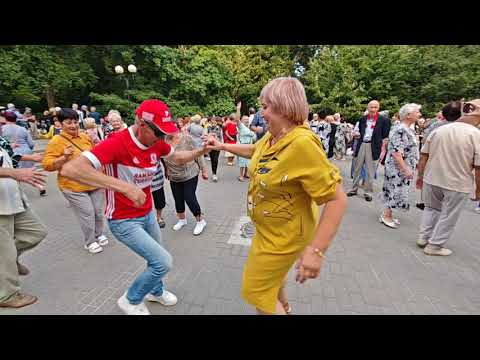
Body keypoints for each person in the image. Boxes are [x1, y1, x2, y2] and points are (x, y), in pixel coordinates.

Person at [205, 78, 347, 315]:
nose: (262, 112)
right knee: (272, 281)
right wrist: (221, 146)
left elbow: (337, 199)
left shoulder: (302, 144)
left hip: (285, 236)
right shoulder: (274, 136)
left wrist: (316, 251)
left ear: (284, 107)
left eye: (266, 106)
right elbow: (255, 150)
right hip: (268, 230)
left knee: (257, 290)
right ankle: (286, 309)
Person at [60, 99, 210, 315]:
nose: (162, 139)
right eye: (158, 133)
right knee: (163, 262)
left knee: (156, 258)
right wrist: (124, 187)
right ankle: (131, 299)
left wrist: (200, 151)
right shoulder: (116, 143)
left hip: (147, 213)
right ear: (141, 124)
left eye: (164, 134)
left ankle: (155, 292)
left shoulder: (156, 142)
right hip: (122, 219)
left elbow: (176, 157)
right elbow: (71, 169)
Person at [415, 99, 480, 256]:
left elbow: (424, 156)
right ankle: (435, 245)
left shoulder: (440, 130)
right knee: (449, 215)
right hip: (457, 182)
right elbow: (478, 168)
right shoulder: (476, 135)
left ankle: (424, 237)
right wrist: (478, 190)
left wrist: (420, 176)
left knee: (431, 209)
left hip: (432, 178)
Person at [42, 109, 108, 254]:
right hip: (73, 186)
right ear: (60, 123)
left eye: (75, 122)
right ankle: (90, 241)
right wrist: (63, 157)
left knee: (97, 212)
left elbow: (93, 154)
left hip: (93, 182)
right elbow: (47, 165)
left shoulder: (85, 137)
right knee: (87, 213)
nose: (73, 125)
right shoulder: (56, 141)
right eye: (68, 122)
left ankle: (99, 234)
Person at [0, 135, 47, 308]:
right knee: (3, 254)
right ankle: (7, 296)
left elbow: (9, 156)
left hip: (13, 197)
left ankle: (12, 260)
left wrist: (30, 158)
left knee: (37, 232)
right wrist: (13, 173)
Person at [379, 104, 421, 228]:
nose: (420, 114)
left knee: (396, 190)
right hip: (397, 168)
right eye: (417, 112)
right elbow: (397, 152)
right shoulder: (401, 129)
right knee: (394, 189)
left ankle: (388, 214)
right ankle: (386, 215)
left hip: (401, 166)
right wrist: (405, 169)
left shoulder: (407, 128)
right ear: (408, 115)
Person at [164, 126, 209, 235]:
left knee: (189, 197)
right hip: (174, 176)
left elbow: (198, 154)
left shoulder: (186, 138)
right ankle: (182, 220)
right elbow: (162, 157)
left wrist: (204, 170)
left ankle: (200, 221)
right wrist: (166, 170)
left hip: (190, 173)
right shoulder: (163, 140)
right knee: (178, 198)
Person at [347, 100, 391, 202]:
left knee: (370, 171)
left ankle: (368, 192)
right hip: (362, 144)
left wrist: (382, 149)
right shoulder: (362, 119)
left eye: (375, 107)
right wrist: (356, 135)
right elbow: (358, 132)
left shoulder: (384, 120)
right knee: (357, 168)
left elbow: (385, 136)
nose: (373, 109)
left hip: (374, 146)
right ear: (368, 108)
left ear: (378, 108)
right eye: (371, 107)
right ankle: (354, 189)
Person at [236, 115, 256, 181]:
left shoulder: (249, 128)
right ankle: (241, 176)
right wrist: (238, 109)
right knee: (242, 162)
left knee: (248, 161)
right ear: (242, 121)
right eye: (245, 119)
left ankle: (245, 174)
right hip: (242, 146)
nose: (247, 120)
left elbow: (254, 138)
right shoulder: (241, 127)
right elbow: (237, 119)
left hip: (249, 146)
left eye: (248, 119)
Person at [151, 158, 167, 228]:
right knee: (142, 201)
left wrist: (167, 169)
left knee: (160, 200)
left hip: (157, 179)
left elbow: (163, 158)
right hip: (140, 181)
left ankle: (159, 217)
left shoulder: (157, 147)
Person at [207, 116, 223, 182]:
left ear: (216, 122)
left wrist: (222, 145)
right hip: (210, 146)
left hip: (217, 146)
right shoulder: (208, 128)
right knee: (212, 159)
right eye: (212, 121)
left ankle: (214, 174)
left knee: (215, 159)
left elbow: (221, 137)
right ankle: (213, 172)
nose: (214, 122)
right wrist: (210, 135)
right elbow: (205, 135)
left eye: (215, 121)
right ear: (211, 122)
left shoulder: (219, 128)